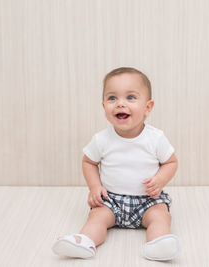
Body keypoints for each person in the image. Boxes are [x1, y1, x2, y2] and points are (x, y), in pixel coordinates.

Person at [52, 67, 181, 261]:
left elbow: (171, 162)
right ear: (104, 106)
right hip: (111, 200)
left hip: (147, 200)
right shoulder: (102, 140)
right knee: (97, 217)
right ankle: (85, 241)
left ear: (148, 107)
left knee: (161, 216)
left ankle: (158, 243)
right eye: (112, 98)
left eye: (130, 97)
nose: (120, 104)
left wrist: (160, 181)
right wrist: (95, 187)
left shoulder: (155, 138)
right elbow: (89, 162)